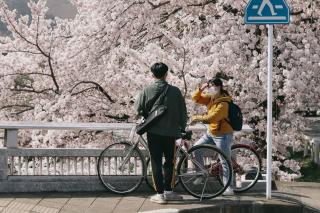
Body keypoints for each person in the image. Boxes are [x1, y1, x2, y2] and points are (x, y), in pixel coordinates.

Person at [135, 62, 187, 204]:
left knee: (156, 162)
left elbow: (138, 109)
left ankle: (160, 194)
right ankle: (169, 191)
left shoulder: (147, 90)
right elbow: (183, 112)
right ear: (166, 74)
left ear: (152, 74)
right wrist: (182, 128)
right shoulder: (175, 91)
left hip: (154, 132)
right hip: (172, 133)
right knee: (170, 162)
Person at [190, 77, 234, 196]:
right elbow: (195, 98)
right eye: (209, 87)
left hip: (222, 135)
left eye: (212, 86)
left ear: (219, 87)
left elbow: (211, 118)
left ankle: (229, 187)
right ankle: (201, 174)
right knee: (195, 149)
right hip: (211, 132)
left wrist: (196, 118)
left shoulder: (224, 103)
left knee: (224, 160)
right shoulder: (211, 99)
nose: (210, 89)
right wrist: (201, 88)